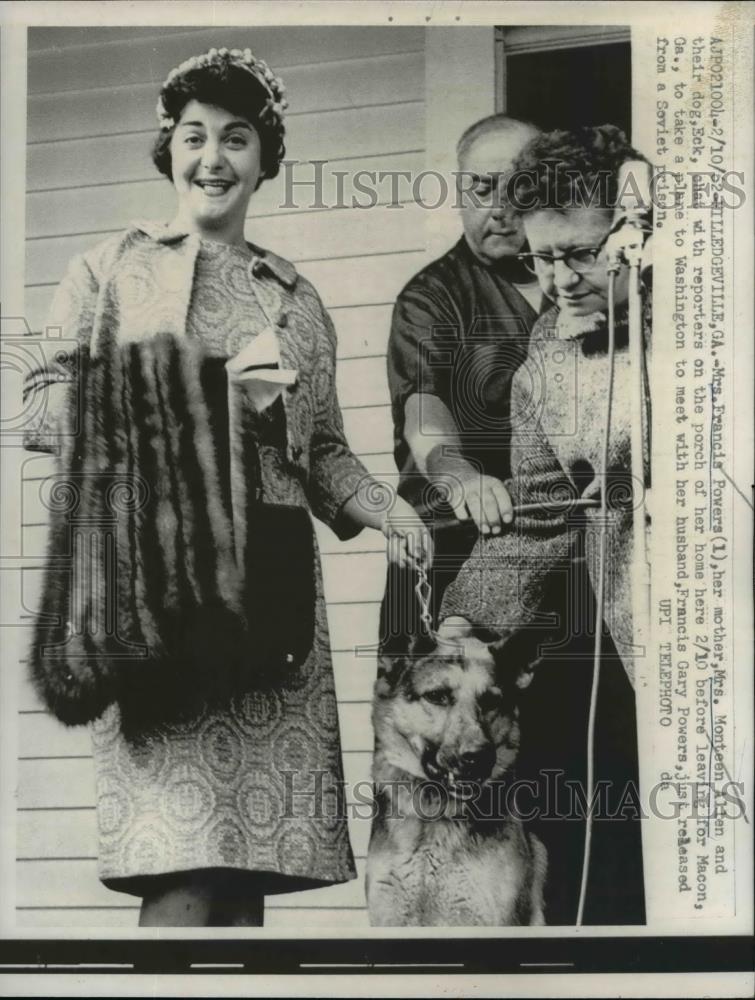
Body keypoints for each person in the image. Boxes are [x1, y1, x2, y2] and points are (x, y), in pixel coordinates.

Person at [23, 46, 429, 927]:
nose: (214, 159)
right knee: (179, 867)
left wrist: (390, 509)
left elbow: (322, 453)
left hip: (273, 597)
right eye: (195, 136)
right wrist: (208, 394)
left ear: (265, 158)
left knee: (246, 878)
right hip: (158, 591)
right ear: (168, 149)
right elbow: (38, 409)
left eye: (236, 139)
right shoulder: (109, 270)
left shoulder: (296, 298)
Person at [440, 124, 649, 924]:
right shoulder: (546, 357)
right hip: (641, 629)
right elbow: (537, 512)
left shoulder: (718, 322)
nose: (558, 279)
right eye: (540, 258)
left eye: (579, 254)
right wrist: (464, 617)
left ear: (632, 238)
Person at [381, 114, 543, 652]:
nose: (498, 208)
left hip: (555, 554)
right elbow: (422, 416)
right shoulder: (431, 297)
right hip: (451, 549)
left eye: (518, 188)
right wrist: (463, 479)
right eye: (481, 187)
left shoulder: (577, 286)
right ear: (457, 192)